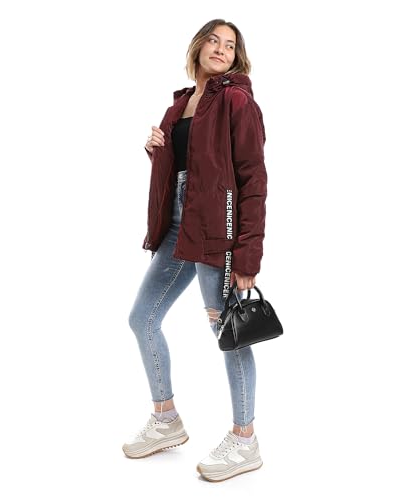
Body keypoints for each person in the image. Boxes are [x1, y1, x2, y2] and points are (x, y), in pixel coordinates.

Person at [123, 19, 268, 482]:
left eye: (230, 45)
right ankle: (166, 418)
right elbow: (188, 168)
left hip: (216, 232)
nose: (221, 49)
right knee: (142, 317)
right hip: (177, 228)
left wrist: (247, 254)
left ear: (237, 56)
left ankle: (244, 440)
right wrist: (158, 151)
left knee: (229, 332)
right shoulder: (181, 103)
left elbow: (253, 179)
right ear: (198, 46)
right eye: (213, 40)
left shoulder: (236, 100)